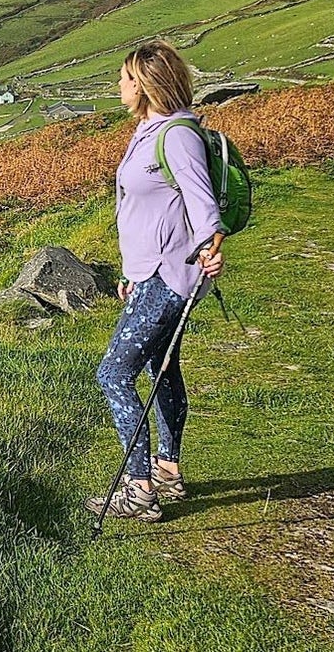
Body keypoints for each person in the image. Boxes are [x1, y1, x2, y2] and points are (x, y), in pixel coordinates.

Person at [86, 40, 226, 522]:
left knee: (113, 373)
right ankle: (167, 468)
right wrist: (130, 270)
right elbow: (142, 206)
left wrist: (211, 247)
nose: (118, 86)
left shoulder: (178, 135)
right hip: (148, 272)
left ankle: (139, 486)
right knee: (160, 369)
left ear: (145, 85)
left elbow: (201, 201)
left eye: (125, 78)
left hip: (171, 276)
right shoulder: (146, 129)